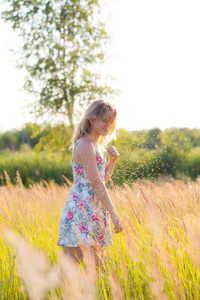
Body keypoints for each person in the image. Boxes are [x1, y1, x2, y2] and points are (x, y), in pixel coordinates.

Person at [57, 99, 123, 267]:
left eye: (111, 121)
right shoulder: (85, 145)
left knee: (98, 268)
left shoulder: (96, 145)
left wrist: (112, 161)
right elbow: (95, 183)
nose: (108, 125)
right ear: (91, 120)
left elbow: (102, 181)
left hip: (93, 209)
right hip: (81, 210)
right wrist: (114, 212)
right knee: (70, 271)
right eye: (104, 120)